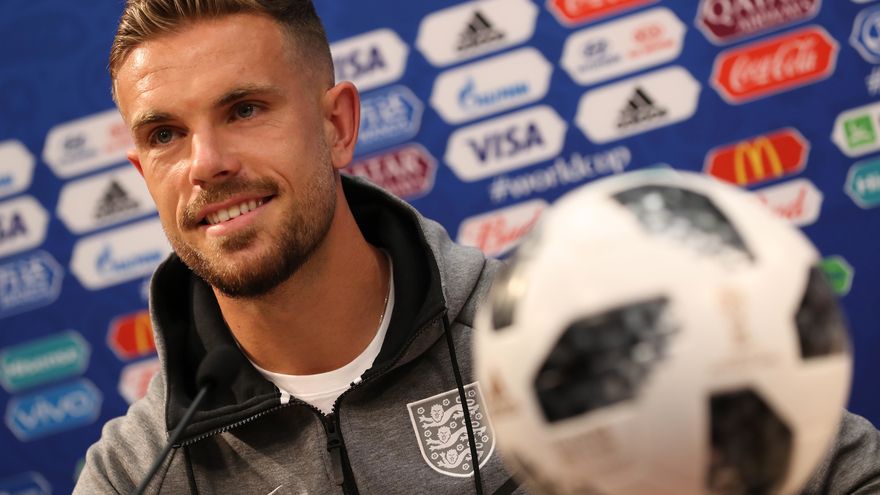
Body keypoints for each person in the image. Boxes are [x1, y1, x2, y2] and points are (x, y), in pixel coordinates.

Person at [75, 1, 880, 494]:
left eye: (245, 110)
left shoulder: (567, 336)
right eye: (165, 134)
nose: (207, 163)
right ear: (143, 171)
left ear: (337, 125)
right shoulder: (137, 471)